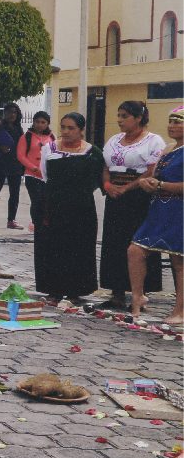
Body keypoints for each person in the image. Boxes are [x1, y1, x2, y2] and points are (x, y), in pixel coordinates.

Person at [99, 101, 165, 310]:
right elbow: (106, 166)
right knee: (114, 242)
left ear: (138, 118)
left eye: (124, 116)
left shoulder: (153, 141)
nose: (119, 120)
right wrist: (108, 184)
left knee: (138, 244)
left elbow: (151, 170)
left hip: (139, 197)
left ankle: (140, 293)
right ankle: (116, 292)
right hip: (115, 197)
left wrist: (127, 188)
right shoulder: (114, 140)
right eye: (118, 115)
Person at [35, 113, 104, 303]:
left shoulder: (93, 152)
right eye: (63, 127)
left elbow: (98, 179)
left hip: (81, 207)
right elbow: (45, 174)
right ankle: (54, 290)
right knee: (54, 246)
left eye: (71, 128)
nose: (65, 131)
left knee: (78, 246)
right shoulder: (50, 149)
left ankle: (76, 290)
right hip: (54, 204)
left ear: (81, 130)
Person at [127, 106, 183, 323]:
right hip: (160, 207)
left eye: (178, 121)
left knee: (179, 261)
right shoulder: (169, 149)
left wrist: (162, 185)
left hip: (179, 209)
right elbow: (154, 175)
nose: (172, 125)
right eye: (171, 121)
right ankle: (137, 296)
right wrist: (146, 182)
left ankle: (180, 310)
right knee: (135, 250)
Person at [0, 103, 25, 229]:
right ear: (4, 113)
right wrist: (0, 148)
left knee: (15, 193)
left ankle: (11, 220)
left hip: (15, 164)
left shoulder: (18, 128)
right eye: (9, 112)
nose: (12, 115)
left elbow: (22, 146)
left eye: (14, 112)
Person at [18, 111, 51, 230]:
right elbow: (20, 156)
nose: (40, 124)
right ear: (33, 122)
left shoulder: (52, 137)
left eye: (43, 122)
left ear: (48, 124)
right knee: (36, 200)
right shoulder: (26, 137)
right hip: (32, 175)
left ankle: (45, 223)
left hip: (47, 175)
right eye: (37, 122)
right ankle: (36, 223)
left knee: (46, 200)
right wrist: (33, 168)